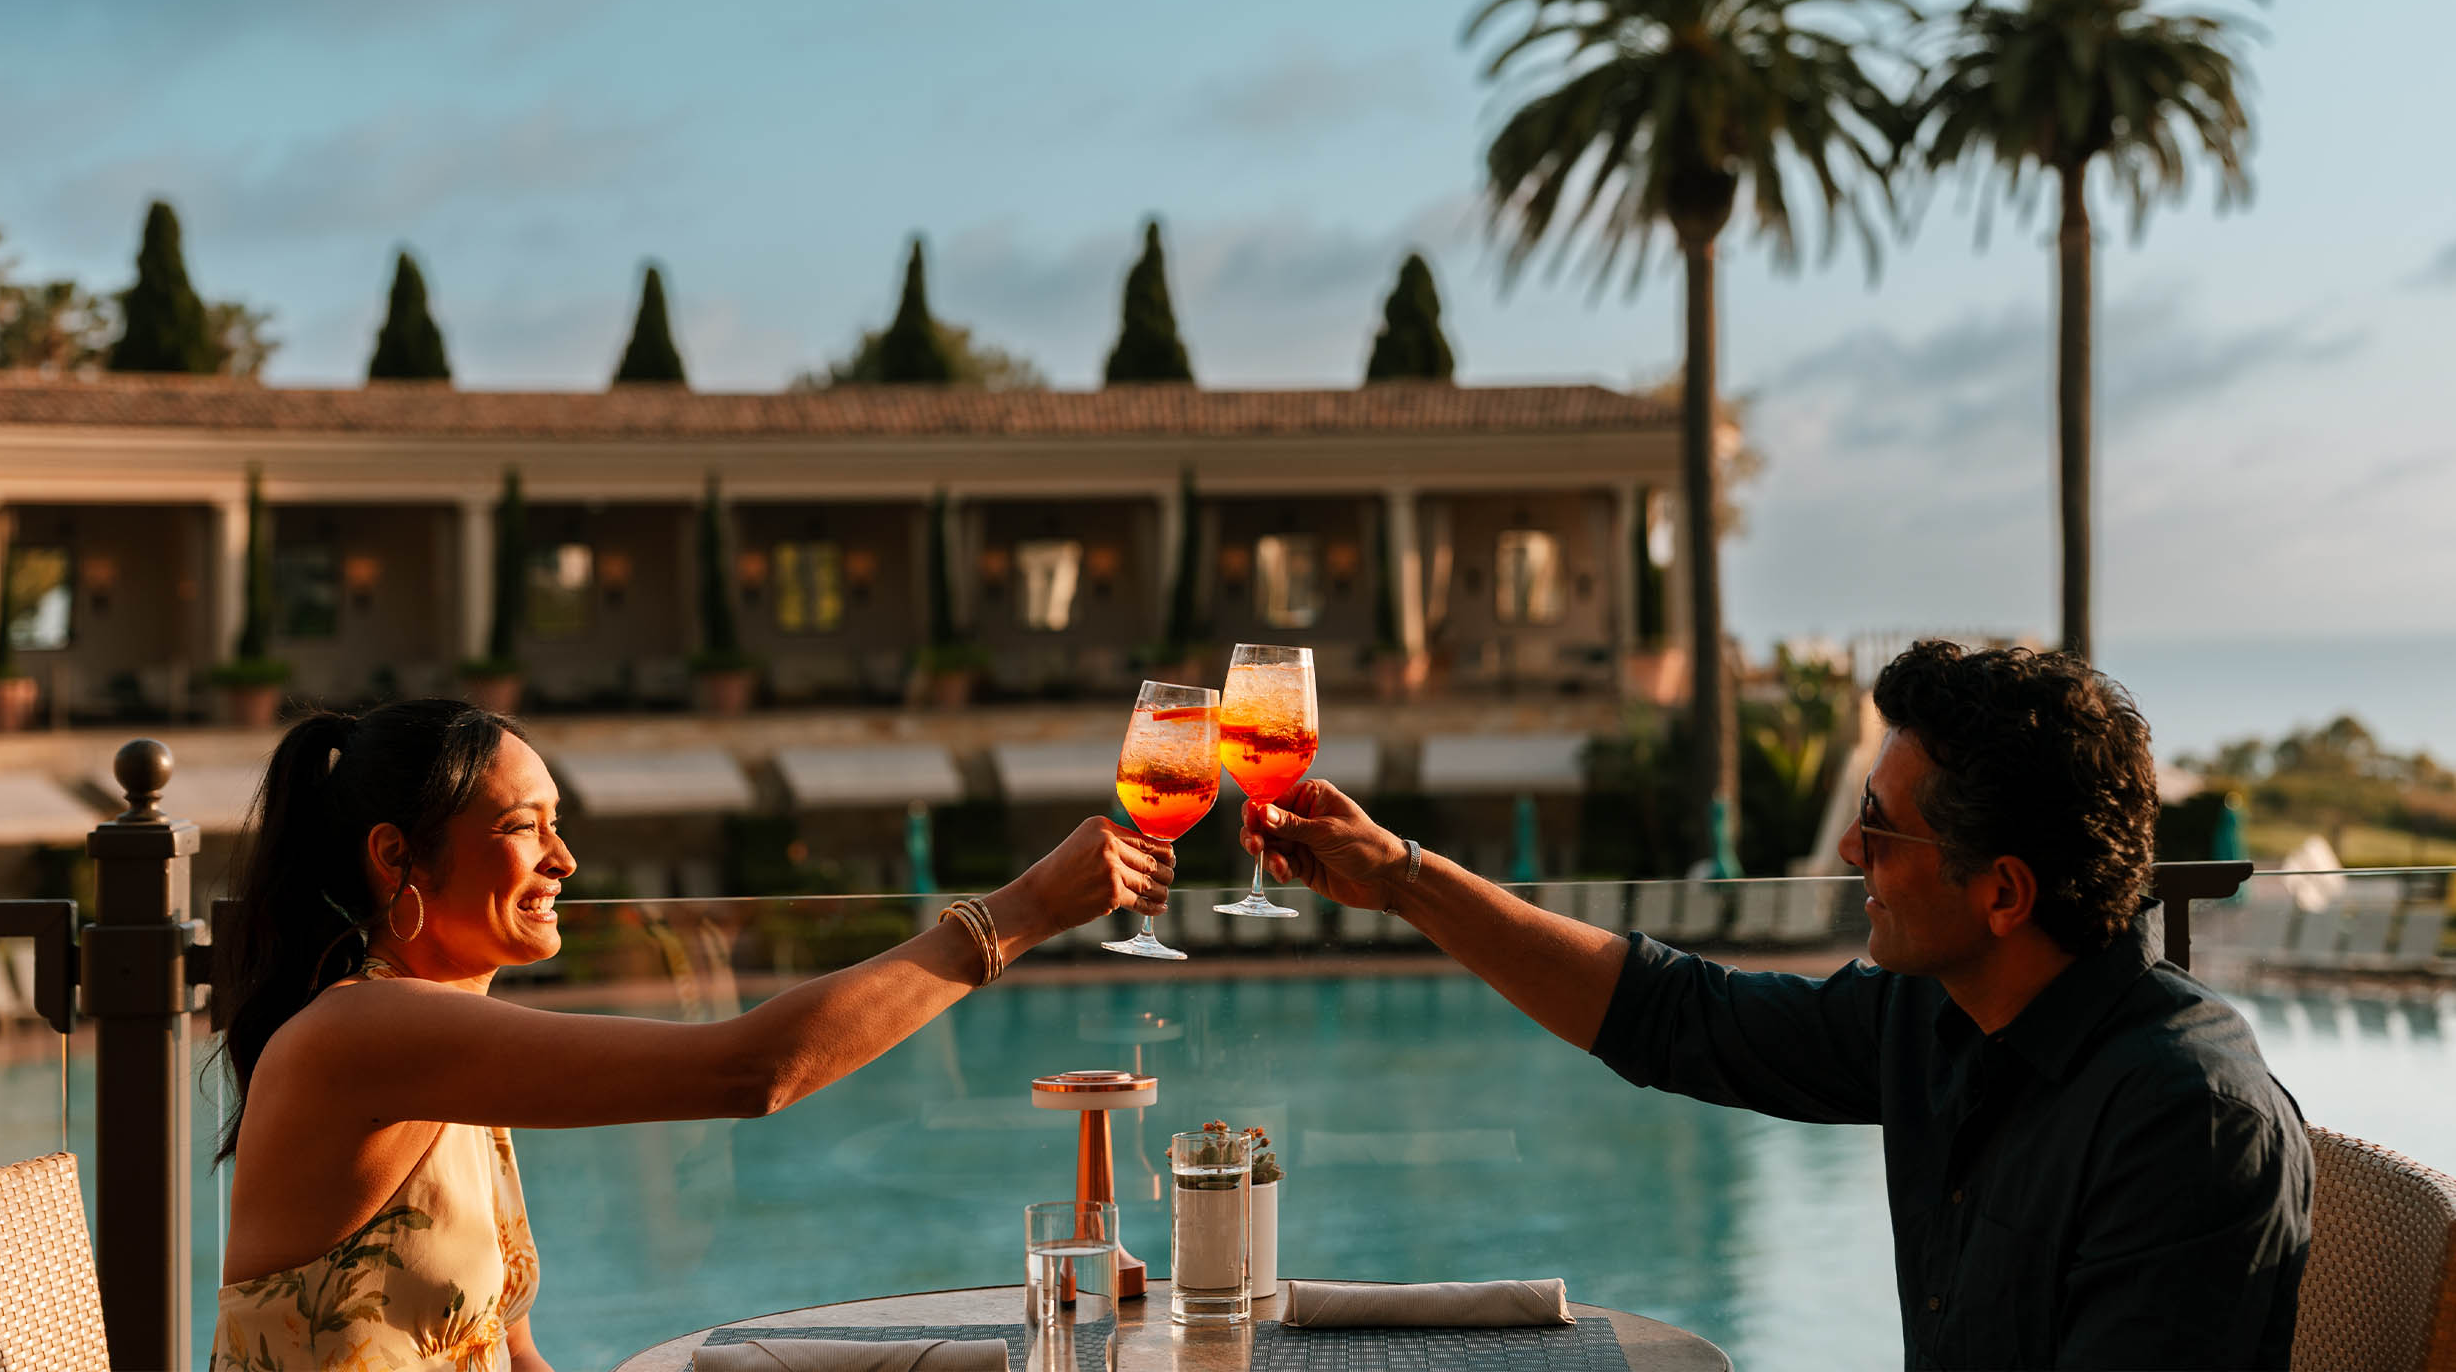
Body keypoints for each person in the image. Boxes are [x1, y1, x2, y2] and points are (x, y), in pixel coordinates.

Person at [1244, 640, 2311, 1370]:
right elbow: (1672, 1016)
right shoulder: (1939, 1016)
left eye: (1879, 829)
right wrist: (1398, 876)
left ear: (2001, 893)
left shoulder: (2185, 1126)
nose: (1850, 851)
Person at [209, 699, 1170, 1372]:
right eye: (522, 825)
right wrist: (1021, 912)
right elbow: (749, 1071)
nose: (564, 858)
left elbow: (512, 1353)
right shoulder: (364, 1033)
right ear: (395, 858)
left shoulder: (445, 1047)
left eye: (559, 823)